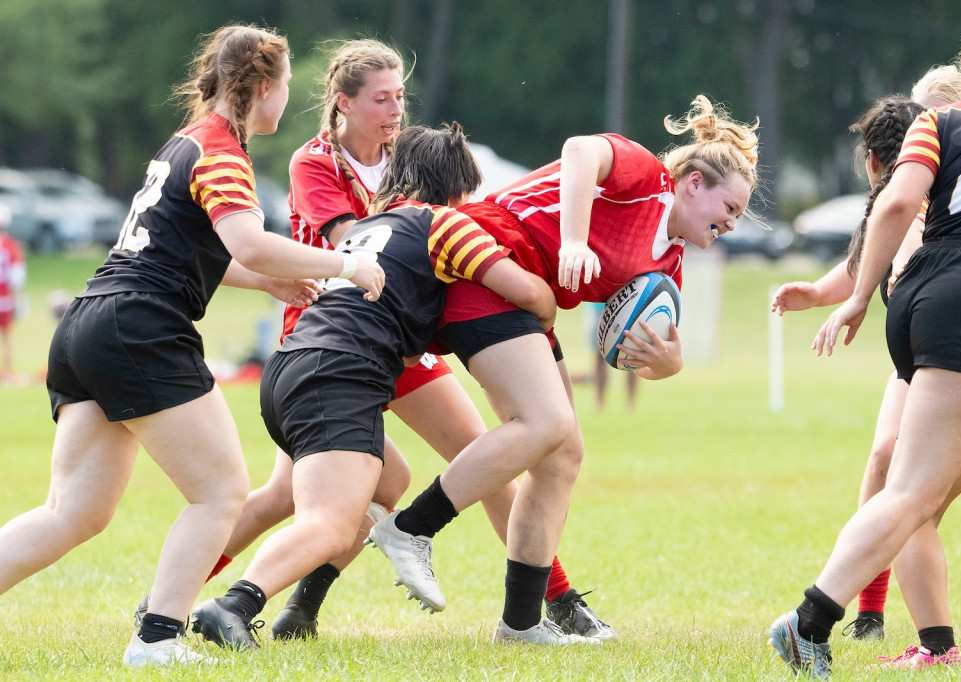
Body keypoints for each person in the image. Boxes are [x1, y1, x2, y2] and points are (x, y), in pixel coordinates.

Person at [159, 38, 615, 642]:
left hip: (390, 338)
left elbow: (442, 233)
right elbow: (362, 243)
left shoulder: (409, 156)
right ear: (342, 104)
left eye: (400, 96)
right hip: (340, 331)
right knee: (285, 498)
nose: (395, 110)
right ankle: (171, 604)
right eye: (381, 99)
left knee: (475, 463)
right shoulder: (314, 161)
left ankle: (550, 602)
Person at [0, 24, 385, 668]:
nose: (286, 98)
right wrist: (346, 265)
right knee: (221, 491)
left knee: (73, 512)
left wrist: (267, 282)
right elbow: (249, 240)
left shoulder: (184, 143)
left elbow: (187, 251)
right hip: (139, 328)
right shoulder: (221, 151)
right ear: (262, 86)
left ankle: (157, 635)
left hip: (89, 325)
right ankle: (157, 639)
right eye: (285, 85)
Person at [364, 95, 759, 644]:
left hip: (529, 301)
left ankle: (521, 623)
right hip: (491, 256)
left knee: (561, 455)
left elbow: (651, 347)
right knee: (546, 423)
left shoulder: (668, 263)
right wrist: (573, 238)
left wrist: (671, 362)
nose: (733, 225)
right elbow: (579, 150)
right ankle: (411, 529)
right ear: (693, 183)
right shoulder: (646, 177)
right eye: (730, 209)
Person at [188, 122, 559, 650]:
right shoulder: (445, 224)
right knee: (330, 522)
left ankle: (293, 608)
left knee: (388, 482)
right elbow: (526, 293)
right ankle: (235, 604)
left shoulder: (368, 227)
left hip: (295, 365)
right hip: (340, 374)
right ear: (457, 190)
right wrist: (550, 302)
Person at [768, 4, 961, 676]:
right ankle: (810, 621)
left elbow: (899, 201)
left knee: (909, 486)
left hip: (923, 293)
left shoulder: (938, 121)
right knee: (912, 493)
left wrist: (857, 296)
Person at [583, 301, 638, 410]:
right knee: (599, 355)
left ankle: (631, 403)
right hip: (598, 305)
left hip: (628, 304)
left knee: (632, 353)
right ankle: (599, 403)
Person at [0, 204, 25, 383]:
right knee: (7, 338)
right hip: (5, 299)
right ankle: (7, 373)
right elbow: (17, 277)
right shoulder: (11, 246)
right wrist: (16, 298)